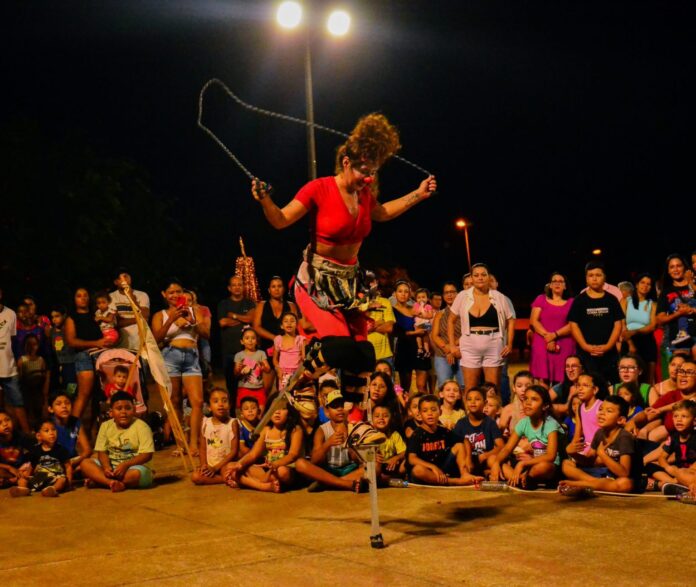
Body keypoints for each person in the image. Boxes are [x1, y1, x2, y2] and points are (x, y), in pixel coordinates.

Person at [251, 113, 436, 342]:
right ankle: (305, 372)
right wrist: (265, 200)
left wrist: (419, 194)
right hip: (318, 280)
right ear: (347, 162)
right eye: (364, 171)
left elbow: (383, 212)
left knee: (363, 358)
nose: (368, 178)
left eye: (372, 173)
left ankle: (315, 369)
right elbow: (280, 220)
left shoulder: (364, 195)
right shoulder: (318, 189)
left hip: (350, 282)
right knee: (339, 346)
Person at [152, 279, 209, 457]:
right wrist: (172, 320)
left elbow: (206, 333)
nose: (175, 295)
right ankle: (181, 443)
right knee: (174, 401)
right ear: (164, 294)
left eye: (178, 291)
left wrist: (192, 322)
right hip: (170, 356)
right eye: (171, 292)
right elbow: (156, 338)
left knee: (197, 401)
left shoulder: (194, 310)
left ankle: (193, 443)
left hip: (191, 357)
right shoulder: (160, 314)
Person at [448, 263, 515, 391]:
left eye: (483, 275)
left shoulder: (499, 297)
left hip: (494, 342)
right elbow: (451, 320)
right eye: (476, 275)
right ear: (471, 278)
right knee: (470, 388)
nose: (480, 278)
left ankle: (493, 410)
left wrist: (509, 344)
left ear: (488, 277)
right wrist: (452, 345)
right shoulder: (463, 296)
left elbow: (511, 320)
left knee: (492, 389)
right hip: (469, 343)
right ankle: (470, 411)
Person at [561, 395, 639, 495]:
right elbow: (589, 461)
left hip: (619, 479)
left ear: (620, 420)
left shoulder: (624, 437)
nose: (602, 413)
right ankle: (591, 483)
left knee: (625, 484)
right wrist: (573, 454)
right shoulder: (599, 433)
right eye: (601, 409)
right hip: (603, 475)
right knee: (566, 464)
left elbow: (624, 473)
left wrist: (602, 455)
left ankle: (583, 485)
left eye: (609, 411)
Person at [227, 393, 303, 492]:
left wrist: (276, 464)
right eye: (273, 408)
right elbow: (253, 454)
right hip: (268, 469)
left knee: (282, 472)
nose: (277, 412)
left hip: (286, 469)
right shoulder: (266, 430)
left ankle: (256, 482)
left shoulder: (295, 429)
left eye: (282, 408)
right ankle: (266, 486)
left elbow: (293, 455)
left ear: (290, 411)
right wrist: (240, 464)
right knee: (234, 467)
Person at [80, 391, 155, 492]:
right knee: (85, 463)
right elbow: (102, 452)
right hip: (112, 468)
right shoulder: (105, 426)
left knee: (136, 474)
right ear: (111, 412)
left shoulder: (142, 427)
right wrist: (106, 467)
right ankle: (111, 483)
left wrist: (126, 465)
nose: (123, 412)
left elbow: (147, 455)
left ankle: (101, 481)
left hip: (132, 468)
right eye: (119, 408)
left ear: (134, 410)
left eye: (128, 408)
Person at [490, 385, 561, 488]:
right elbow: (507, 449)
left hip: (548, 467)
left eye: (534, 399)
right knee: (493, 459)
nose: (527, 403)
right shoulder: (523, 423)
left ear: (545, 406)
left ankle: (522, 478)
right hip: (530, 464)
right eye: (525, 399)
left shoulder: (551, 424)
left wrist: (523, 464)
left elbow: (550, 456)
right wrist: (496, 463)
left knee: (543, 467)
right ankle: (520, 480)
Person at [407, 394, 482, 486]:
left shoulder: (443, 431)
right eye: (425, 411)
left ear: (440, 412)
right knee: (417, 470)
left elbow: (465, 440)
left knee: (459, 446)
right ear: (420, 414)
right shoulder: (416, 434)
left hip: (442, 469)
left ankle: (465, 474)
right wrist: (432, 467)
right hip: (427, 471)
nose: (430, 413)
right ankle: (456, 482)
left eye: (434, 410)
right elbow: (411, 459)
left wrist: (468, 459)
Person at [568, 261, 623, 384]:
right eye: (591, 275)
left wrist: (608, 346)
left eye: (598, 275)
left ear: (604, 278)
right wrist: (585, 346)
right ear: (586, 279)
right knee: (588, 384)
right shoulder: (579, 300)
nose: (594, 278)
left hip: (609, 354)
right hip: (586, 355)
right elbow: (573, 325)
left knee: (611, 385)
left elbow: (618, 324)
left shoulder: (612, 300)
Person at [64, 287, 113, 419]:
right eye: (79, 296)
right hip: (84, 356)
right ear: (74, 300)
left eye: (85, 295)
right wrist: (96, 343)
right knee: (84, 395)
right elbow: (71, 341)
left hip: (101, 355)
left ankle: (95, 431)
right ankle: (72, 430)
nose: (83, 298)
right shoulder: (71, 319)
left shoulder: (95, 316)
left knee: (100, 395)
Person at [529, 272, 575, 385]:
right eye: (554, 281)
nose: (557, 284)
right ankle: (544, 401)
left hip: (564, 342)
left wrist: (554, 335)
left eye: (560, 281)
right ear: (550, 285)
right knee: (542, 378)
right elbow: (534, 321)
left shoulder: (572, 302)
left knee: (562, 379)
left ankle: (560, 401)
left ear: (565, 286)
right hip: (542, 341)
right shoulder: (541, 299)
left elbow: (573, 325)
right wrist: (548, 337)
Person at [217, 275, 256, 407]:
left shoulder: (249, 303)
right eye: (234, 285)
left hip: (248, 351)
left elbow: (251, 319)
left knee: (250, 381)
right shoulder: (223, 304)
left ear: (244, 287)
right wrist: (242, 319)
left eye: (240, 284)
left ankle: (249, 410)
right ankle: (233, 412)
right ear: (229, 288)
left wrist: (233, 316)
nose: (237, 287)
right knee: (231, 384)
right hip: (229, 350)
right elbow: (222, 322)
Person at [10, 419, 72, 497]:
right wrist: (26, 475)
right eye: (47, 431)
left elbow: (68, 466)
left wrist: (69, 481)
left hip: (54, 477)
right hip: (39, 477)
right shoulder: (35, 450)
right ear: (39, 436)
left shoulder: (61, 449)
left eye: (53, 429)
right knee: (22, 480)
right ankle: (23, 489)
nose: (51, 433)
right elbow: (32, 466)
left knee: (62, 480)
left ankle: (53, 489)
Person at [645, 400, 696, 492]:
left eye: (684, 416)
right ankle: (673, 482)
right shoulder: (673, 438)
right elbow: (662, 458)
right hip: (677, 471)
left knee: (685, 474)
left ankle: (677, 483)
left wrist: (684, 472)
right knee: (649, 466)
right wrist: (668, 468)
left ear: (694, 421)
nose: (679, 419)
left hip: (691, 472)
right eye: (676, 416)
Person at [191, 388, 239, 486]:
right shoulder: (205, 423)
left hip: (225, 464)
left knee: (231, 472)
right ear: (209, 407)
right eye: (216, 401)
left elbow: (234, 451)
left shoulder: (232, 423)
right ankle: (223, 479)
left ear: (229, 405)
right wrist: (204, 465)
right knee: (196, 477)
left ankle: (225, 477)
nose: (221, 404)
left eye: (224, 401)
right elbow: (203, 448)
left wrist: (216, 468)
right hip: (210, 465)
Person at [453, 387, 504, 476]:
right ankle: (482, 474)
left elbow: (501, 446)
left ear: (485, 403)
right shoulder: (461, 423)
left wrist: (485, 455)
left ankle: (516, 479)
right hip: (467, 461)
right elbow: (455, 445)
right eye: (469, 399)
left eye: (477, 399)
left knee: (493, 460)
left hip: (484, 459)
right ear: (466, 402)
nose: (473, 402)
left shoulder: (490, 423)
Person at [391, 280, 431, 393]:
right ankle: (404, 408)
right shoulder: (392, 310)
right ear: (395, 293)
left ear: (409, 294)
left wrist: (425, 329)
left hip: (420, 347)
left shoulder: (415, 309)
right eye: (400, 291)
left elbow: (427, 322)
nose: (403, 294)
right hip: (404, 348)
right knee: (404, 387)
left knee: (422, 386)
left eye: (406, 292)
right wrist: (414, 333)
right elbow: (396, 331)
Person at [656, 254, 696, 357]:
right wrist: (678, 313)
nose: (676, 269)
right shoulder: (665, 292)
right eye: (672, 267)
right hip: (677, 342)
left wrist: (691, 309)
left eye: (679, 266)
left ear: (685, 268)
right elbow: (660, 319)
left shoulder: (694, 286)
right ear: (668, 271)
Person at [621, 273, 658, 382]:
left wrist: (635, 331)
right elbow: (622, 324)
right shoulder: (625, 301)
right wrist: (630, 344)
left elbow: (652, 326)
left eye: (648, 284)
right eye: (642, 282)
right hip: (628, 341)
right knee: (628, 378)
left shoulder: (653, 304)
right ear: (636, 284)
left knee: (648, 379)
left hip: (647, 342)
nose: (645, 286)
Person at [430, 282, 464, 388]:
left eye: (452, 292)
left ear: (458, 294)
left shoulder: (464, 312)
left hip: (461, 353)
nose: (449, 295)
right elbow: (435, 335)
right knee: (444, 387)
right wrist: (448, 348)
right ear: (443, 296)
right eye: (446, 293)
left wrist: (453, 348)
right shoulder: (440, 314)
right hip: (442, 354)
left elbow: (466, 333)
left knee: (464, 387)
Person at [108, 268, 150, 352]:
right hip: (121, 345)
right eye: (121, 278)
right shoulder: (111, 297)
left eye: (126, 276)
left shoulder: (142, 295)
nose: (124, 280)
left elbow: (145, 315)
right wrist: (138, 319)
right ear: (116, 282)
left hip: (141, 344)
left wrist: (131, 295)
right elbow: (116, 323)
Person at [48, 391, 91, 471]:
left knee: (91, 461)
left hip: (73, 461)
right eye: (58, 404)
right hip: (55, 463)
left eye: (67, 403)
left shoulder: (76, 422)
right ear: (50, 409)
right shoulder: (48, 425)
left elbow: (87, 450)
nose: (64, 406)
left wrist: (73, 462)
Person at [234, 327, 271, 413]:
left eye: (253, 338)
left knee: (260, 413)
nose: (250, 340)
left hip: (259, 389)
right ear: (242, 341)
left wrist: (263, 367)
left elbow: (268, 369)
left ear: (257, 341)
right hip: (244, 388)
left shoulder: (261, 353)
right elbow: (235, 373)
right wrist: (239, 369)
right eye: (247, 338)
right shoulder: (239, 355)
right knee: (245, 413)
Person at [17, 334, 49, 427]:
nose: (33, 347)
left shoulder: (41, 360)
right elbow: (20, 377)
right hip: (26, 390)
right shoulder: (22, 360)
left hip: (38, 390)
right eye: (30, 344)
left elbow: (44, 375)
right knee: (27, 411)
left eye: (35, 344)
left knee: (38, 411)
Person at [365, 275, 396, 369]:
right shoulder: (358, 303)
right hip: (364, 354)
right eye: (367, 282)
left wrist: (368, 327)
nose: (370, 284)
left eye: (372, 281)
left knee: (387, 383)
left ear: (376, 283)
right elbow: (357, 330)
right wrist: (380, 322)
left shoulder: (385, 302)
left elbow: (389, 327)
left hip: (384, 355)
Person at [373, 404, 406, 483]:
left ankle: (386, 479)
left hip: (390, 466)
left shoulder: (394, 435)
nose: (381, 418)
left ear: (390, 418)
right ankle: (385, 480)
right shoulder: (369, 434)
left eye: (385, 416)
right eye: (377, 416)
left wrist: (396, 458)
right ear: (371, 419)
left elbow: (404, 451)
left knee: (407, 461)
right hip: (376, 466)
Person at [47, 305, 76, 397]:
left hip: (70, 362)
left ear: (64, 316)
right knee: (58, 387)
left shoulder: (70, 329)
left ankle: (70, 400)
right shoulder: (51, 331)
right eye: (52, 317)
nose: (54, 319)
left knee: (71, 385)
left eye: (57, 316)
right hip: (57, 363)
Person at [273, 312, 306, 390]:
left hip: (297, 374)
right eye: (286, 321)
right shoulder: (278, 339)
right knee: (284, 397)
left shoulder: (300, 340)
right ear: (281, 326)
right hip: (283, 374)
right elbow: (275, 359)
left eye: (292, 321)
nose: (289, 323)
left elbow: (303, 358)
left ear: (297, 325)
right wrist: (278, 370)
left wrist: (299, 373)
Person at [0, 410, 31, 488]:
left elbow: (32, 455)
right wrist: (9, 468)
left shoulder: (21, 437)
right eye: (0, 423)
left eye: (7, 420)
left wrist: (24, 468)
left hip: (22, 469)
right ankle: (14, 480)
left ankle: (11, 481)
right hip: (6, 470)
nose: (5, 424)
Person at [499, 370, 532, 437]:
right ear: (514, 388)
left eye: (527, 386)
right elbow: (499, 435)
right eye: (519, 386)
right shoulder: (508, 409)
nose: (524, 389)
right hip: (514, 445)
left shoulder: (538, 408)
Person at [412, 288, 434, 359]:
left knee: (425, 336)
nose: (421, 299)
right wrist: (418, 313)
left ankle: (427, 350)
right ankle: (420, 348)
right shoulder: (415, 305)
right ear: (416, 299)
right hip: (418, 323)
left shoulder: (428, 306)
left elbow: (430, 315)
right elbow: (413, 313)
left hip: (426, 324)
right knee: (418, 335)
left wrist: (424, 315)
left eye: (423, 297)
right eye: (419, 297)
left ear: (427, 298)